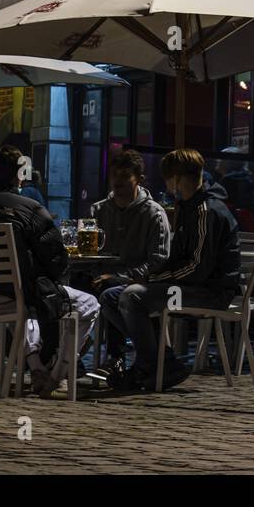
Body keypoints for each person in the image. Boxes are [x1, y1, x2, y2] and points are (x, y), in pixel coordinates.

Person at [0, 146, 99, 398]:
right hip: (19, 298)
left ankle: (37, 369)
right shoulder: (29, 209)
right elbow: (56, 260)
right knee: (88, 304)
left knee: (29, 305)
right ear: (19, 174)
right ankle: (58, 373)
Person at [98, 148, 240, 392]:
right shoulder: (188, 207)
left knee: (132, 296)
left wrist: (152, 278)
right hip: (187, 285)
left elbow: (197, 268)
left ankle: (149, 366)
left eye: (168, 179)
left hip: (209, 292)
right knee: (110, 296)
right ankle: (161, 361)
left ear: (176, 179)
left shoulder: (206, 211)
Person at [86, 149, 171, 382]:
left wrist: (125, 276)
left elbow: (158, 258)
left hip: (138, 281)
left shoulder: (153, 213)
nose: (119, 181)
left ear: (139, 179)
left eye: (125, 175)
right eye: (115, 175)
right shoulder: (99, 210)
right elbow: (90, 253)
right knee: (65, 290)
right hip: (101, 274)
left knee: (113, 291)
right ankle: (66, 354)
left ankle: (116, 357)